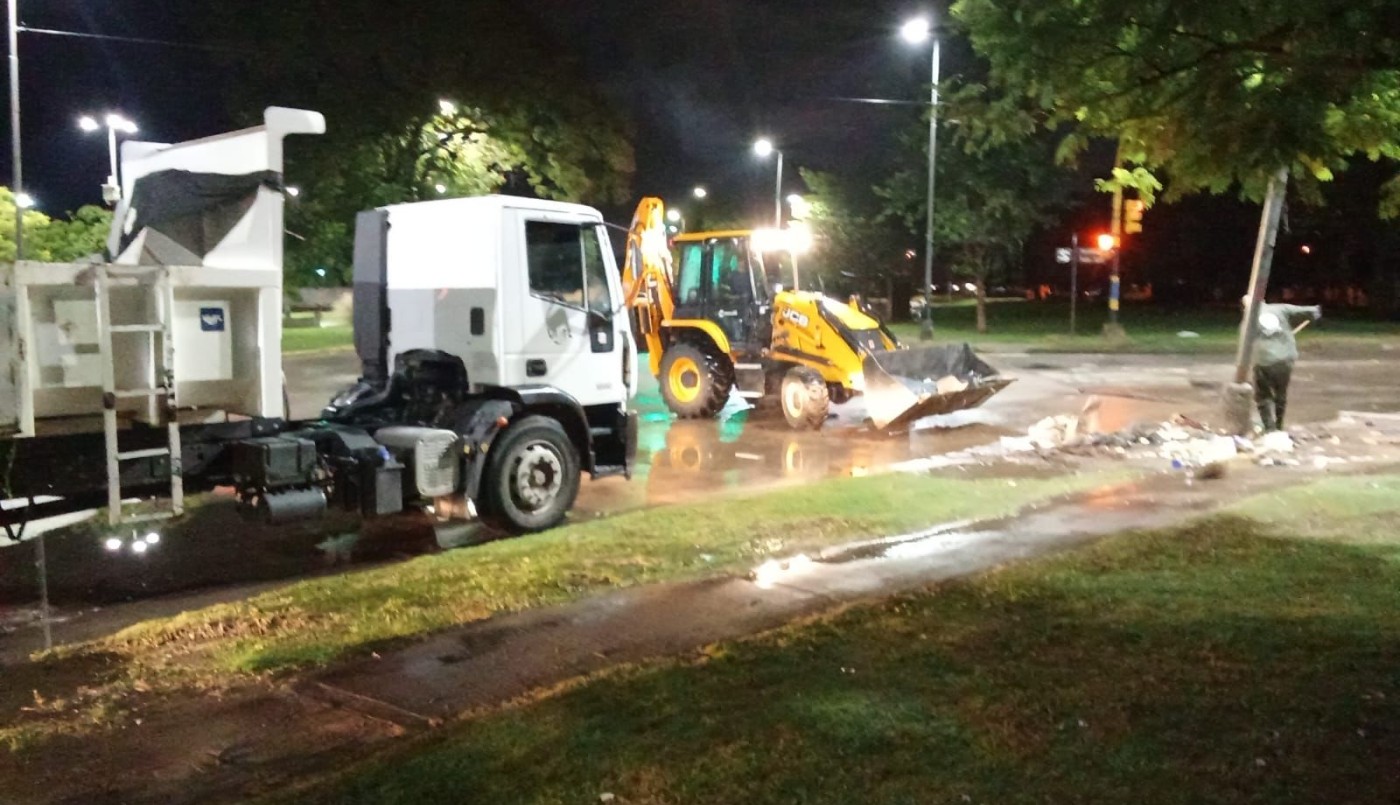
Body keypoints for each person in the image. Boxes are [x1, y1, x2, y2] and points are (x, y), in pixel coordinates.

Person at [1244, 295, 1322, 432]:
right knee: (1281, 394)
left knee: (1262, 396)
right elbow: (1310, 310)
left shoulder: (1249, 319)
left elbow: (1246, 345)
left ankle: (1270, 428)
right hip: (1285, 358)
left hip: (1264, 362)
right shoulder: (1280, 308)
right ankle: (1279, 425)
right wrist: (1315, 313)